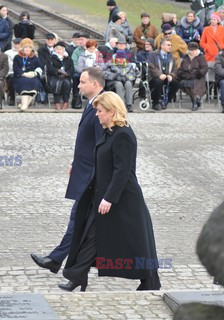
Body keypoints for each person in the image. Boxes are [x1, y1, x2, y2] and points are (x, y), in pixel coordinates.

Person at [60, 91, 161, 292]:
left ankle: (150, 281)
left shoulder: (124, 135)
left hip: (124, 201)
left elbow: (122, 172)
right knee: (90, 236)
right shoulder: (108, 131)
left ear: (112, 111)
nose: (96, 114)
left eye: (99, 111)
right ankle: (77, 276)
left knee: (138, 242)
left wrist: (109, 198)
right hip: (102, 196)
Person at [30, 67, 104, 275]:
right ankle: (66, 260)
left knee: (78, 219)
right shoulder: (91, 104)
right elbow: (86, 140)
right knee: (85, 222)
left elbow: (102, 144)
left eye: (82, 82)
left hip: (93, 176)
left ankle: (58, 260)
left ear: (95, 84)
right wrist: (76, 161)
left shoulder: (102, 106)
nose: (78, 85)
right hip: (85, 170)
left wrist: (97, 175)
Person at [103, 38, 138, 112]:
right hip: (113, 81)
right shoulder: (110, 63)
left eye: (122, 59)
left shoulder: (129, 65)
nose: (120, 60)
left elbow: (132, 75)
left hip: (125, 80)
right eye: (118, 58)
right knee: (119, 84)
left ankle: (129, 104)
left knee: (128, 84)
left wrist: (126, 77)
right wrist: (115, 76)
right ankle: (120, 105)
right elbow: (105, 73)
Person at [148, 39, 180, 111]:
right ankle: (156, 103)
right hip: (155, 77)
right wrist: (159, 74)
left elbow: (175, 69)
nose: (170, 46)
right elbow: (151, 67)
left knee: (177, 83)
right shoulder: (153, 55)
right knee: (159, 81)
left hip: (167, 76)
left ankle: (166, 101)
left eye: (171, 45)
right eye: (168, 45)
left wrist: (171, 75)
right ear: (162, 46)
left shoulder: (172, 57)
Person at [12, 38, 42, 111]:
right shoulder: (17, 57)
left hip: (33, 75)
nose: (28, 49)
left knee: (35, 82)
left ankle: (25, 104)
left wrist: (35, 73)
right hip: (21, 76)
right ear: (22, 48)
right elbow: (16, 69)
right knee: (24, 81)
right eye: (26, 47)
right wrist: (24, 74)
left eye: (29, 47)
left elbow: (39, 67)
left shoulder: (34, 57)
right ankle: (25, 104)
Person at [177, 41, 207, 111]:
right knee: (184, 83)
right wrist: (184, 75)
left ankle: (194, 102)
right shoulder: (186, 57)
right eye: (190, 50)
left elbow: (204, 68)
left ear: (197, 50)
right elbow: (180, 69)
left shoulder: (201, 57)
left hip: (198, 78)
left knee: (191, 84)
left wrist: (196, 74)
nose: (192, 52)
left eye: (194, 50)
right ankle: (195, 100)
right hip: (186, 77)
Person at [46, 41, 74, 110]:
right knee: (57, 83)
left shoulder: (68, 58)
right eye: (57, 49)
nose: (59, 51)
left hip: (66, 76)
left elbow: (72, 69)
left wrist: (66, 73)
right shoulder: (51, 58)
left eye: (60, 49)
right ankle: (57, 102)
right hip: (54, 76)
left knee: (66, 83)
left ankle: (65, 102)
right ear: (55, 50)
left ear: (63, 50)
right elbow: (49, 68)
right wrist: (58, 71)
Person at [71, 33, 90, 109]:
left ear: (87, 40)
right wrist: (83, 72)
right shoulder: (77, 51)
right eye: (79, 39)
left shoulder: (93, 49)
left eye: (82, 39)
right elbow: (74, 64)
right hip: (80, 72)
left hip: (92, 72)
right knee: (75, 77)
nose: (80, 41)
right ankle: (77, 99)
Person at [4, 38, 21, 106]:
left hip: (23, 72)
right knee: (12, 79)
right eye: (15, 44)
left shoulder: (25, 52)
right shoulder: (7, 52)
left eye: (18, 44)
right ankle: (12, 98)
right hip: (11, 72)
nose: (17, 45)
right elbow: (9, 65)